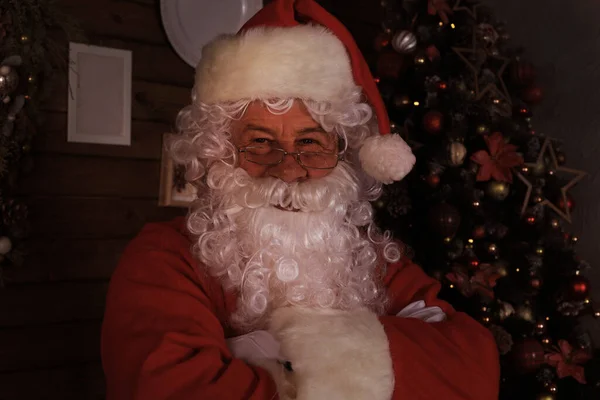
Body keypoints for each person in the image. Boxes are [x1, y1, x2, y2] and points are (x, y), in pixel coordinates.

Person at [101, 0, 500, 399]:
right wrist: (378, 366)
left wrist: (270, 362)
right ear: (219, 152)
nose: (289, 170)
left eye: (309, 142)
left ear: (341, 154)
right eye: (259, 142)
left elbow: (469, 368)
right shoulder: (163, 258)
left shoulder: (369, 259)